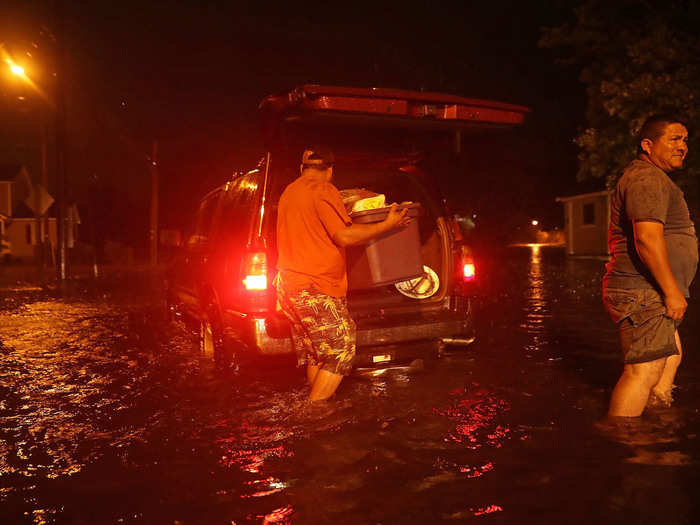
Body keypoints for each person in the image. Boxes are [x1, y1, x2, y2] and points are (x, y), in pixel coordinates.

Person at [276, 148, 411, 401]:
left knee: (321, 352)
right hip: (314, 287)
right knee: (340, 349)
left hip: (290, 285)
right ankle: (314, 414)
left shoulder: (290, 191)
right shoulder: (323, 190)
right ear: (330, 170)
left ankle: (315, 406)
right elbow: (344, 236)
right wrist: (387, 225)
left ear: (302, 168)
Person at [603, 114, 697, 417]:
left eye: (685, 140)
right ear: (647, 144)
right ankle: (625, 442)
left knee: (670, 359)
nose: (683, 146)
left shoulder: (656, 179)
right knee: (642, 372)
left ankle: (657, 421)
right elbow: (646, 238)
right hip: (644, 291)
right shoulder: (646, 178)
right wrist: (671, 292)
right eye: (674, 139)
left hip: (653, 291)